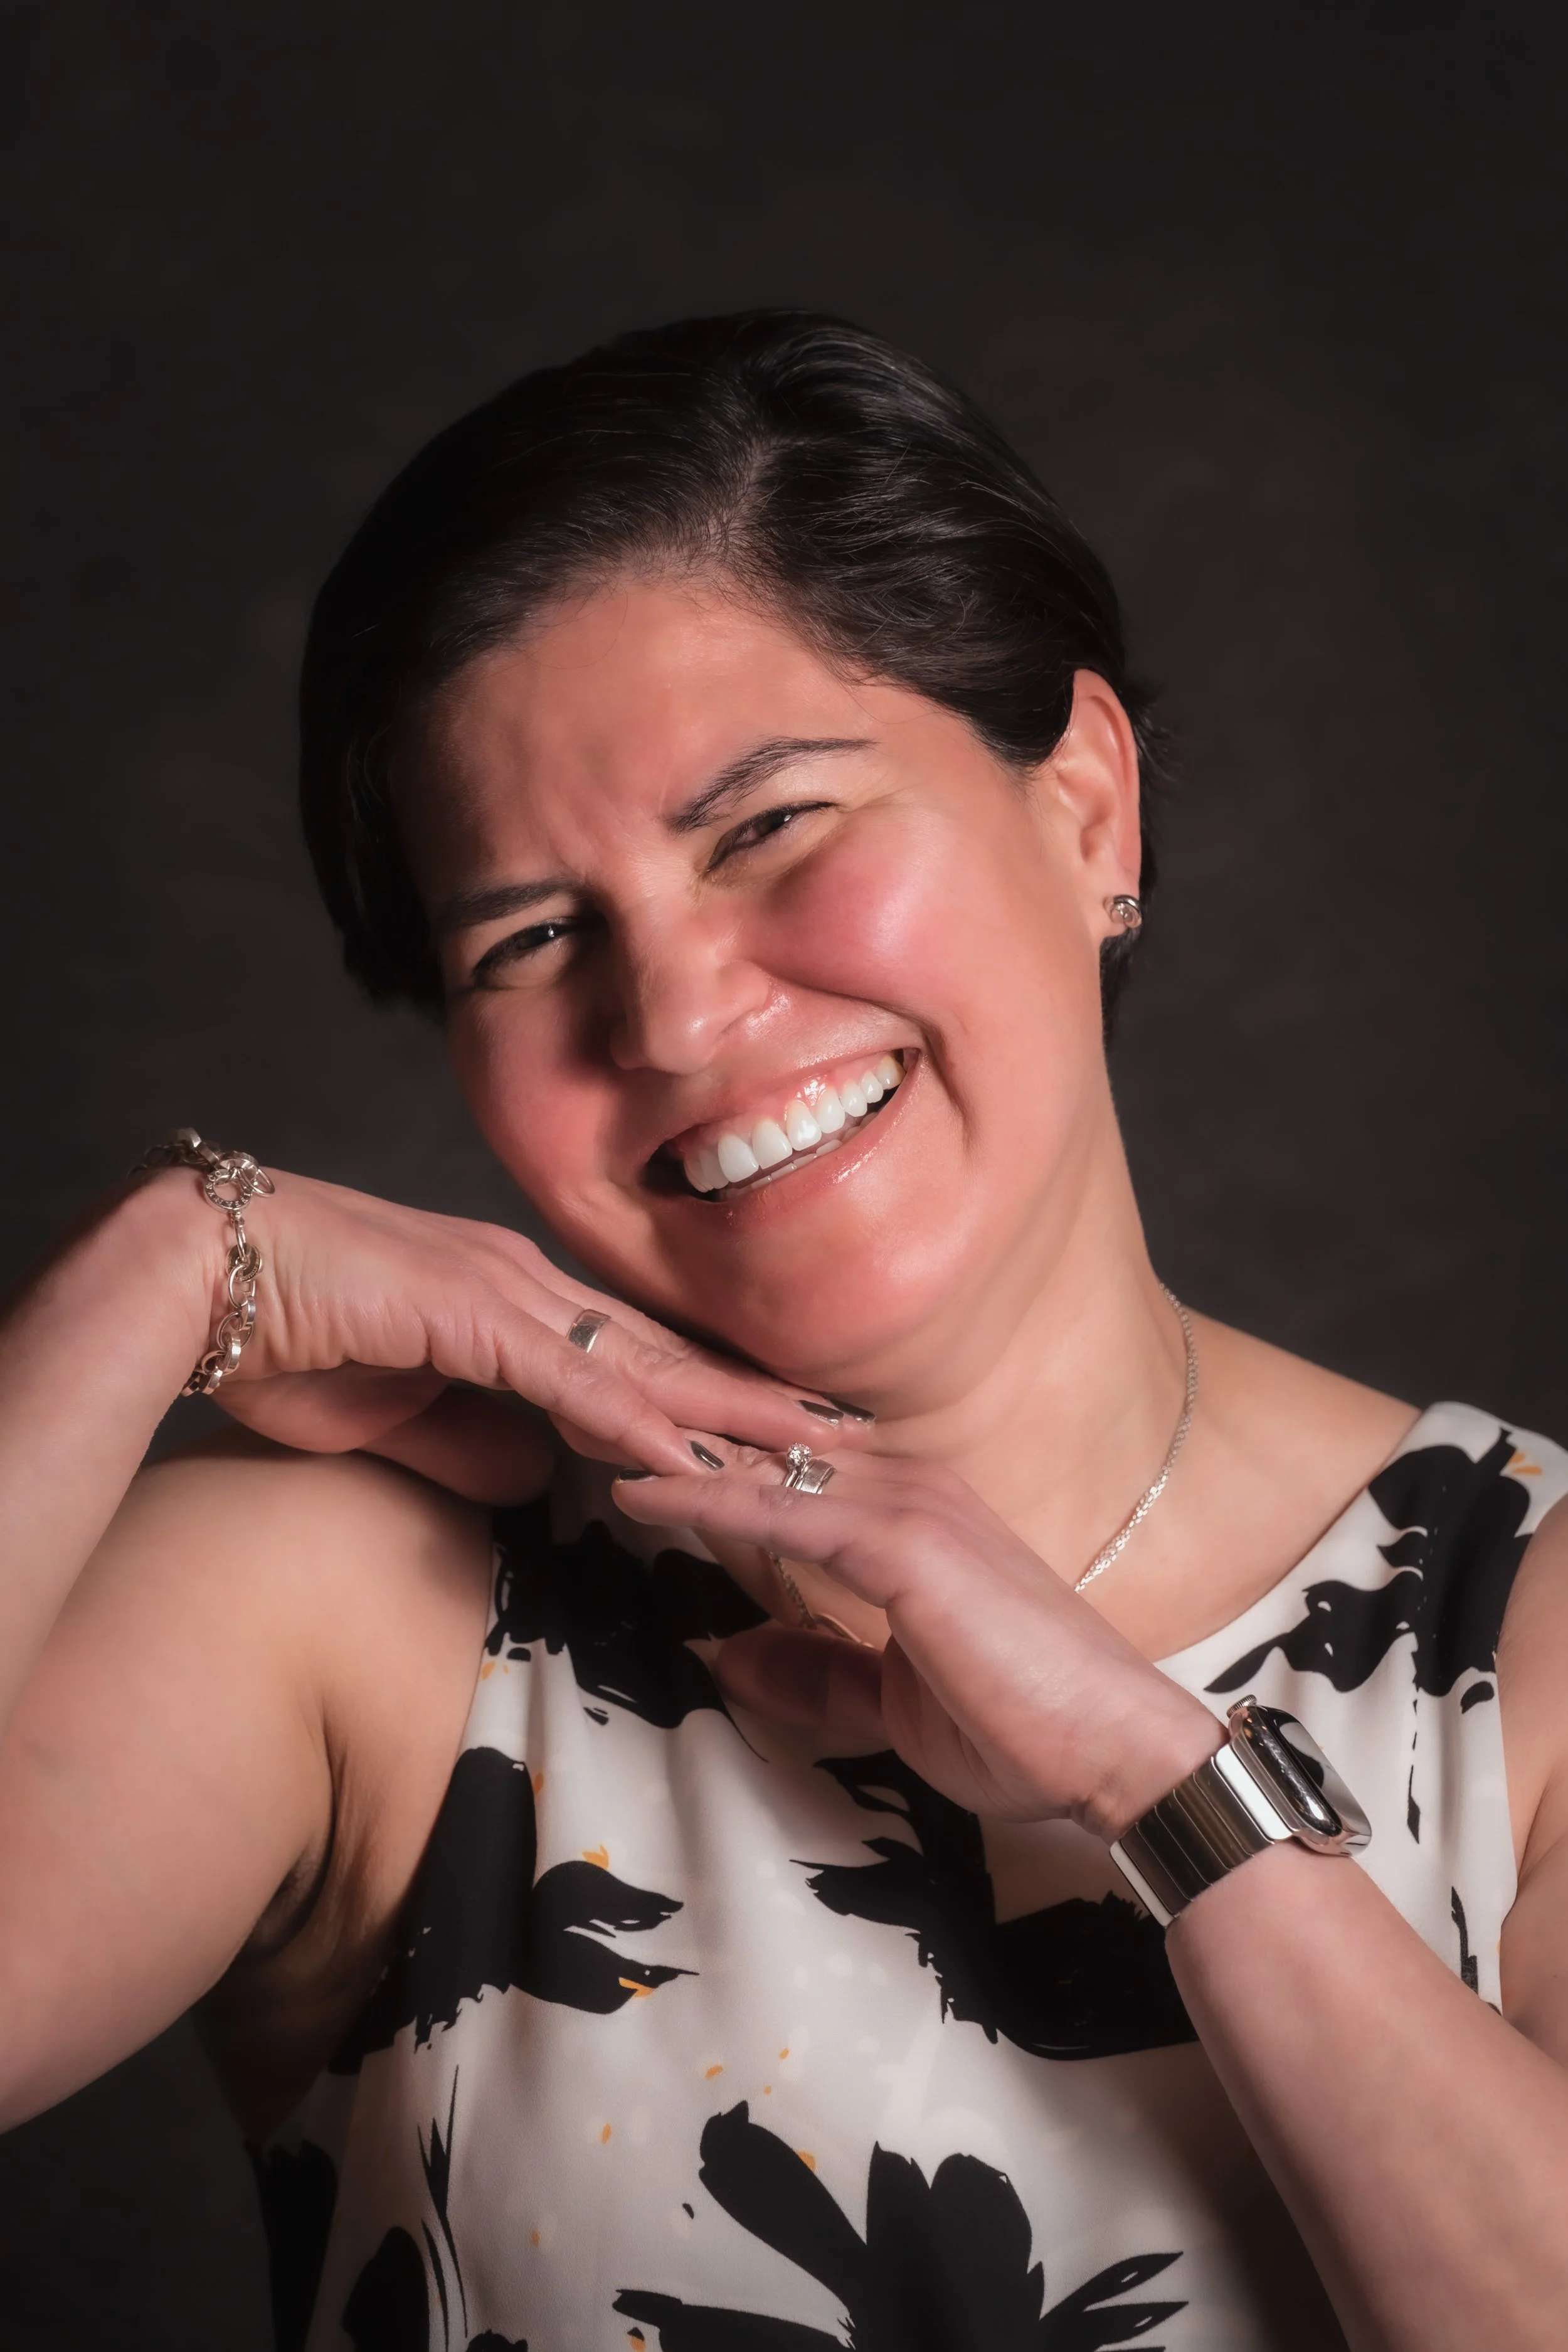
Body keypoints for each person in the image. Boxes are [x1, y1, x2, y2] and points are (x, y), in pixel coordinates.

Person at [2, 310, 1566, 2352]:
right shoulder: (349, 1601)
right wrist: (155, 1273)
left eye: (768, 827)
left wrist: (1158, 1777)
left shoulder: (1524, 1624)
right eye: (531, 937)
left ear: (1087, 808)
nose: (671, 1017)